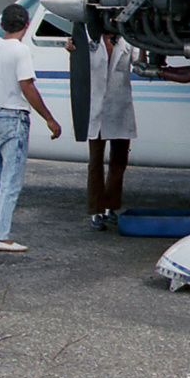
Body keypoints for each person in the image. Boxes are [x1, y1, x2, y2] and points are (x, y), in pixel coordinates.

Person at [0, 3, 61, 252]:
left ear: (1, 25)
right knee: (11, 180)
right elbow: (27, 87)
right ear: (26, 26)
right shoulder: (21, 52)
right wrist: (49, 118)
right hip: (13, 117)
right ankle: (0, 235)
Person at [78, 31, 137, 230]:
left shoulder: (128, 42)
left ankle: (111, 206)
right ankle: (96, 210)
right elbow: (78, 60)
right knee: (95, 162)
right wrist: (71, 48)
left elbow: (138, 62)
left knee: (119, 162)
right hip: (97, 107)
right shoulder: (89, 41)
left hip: (119, 107)